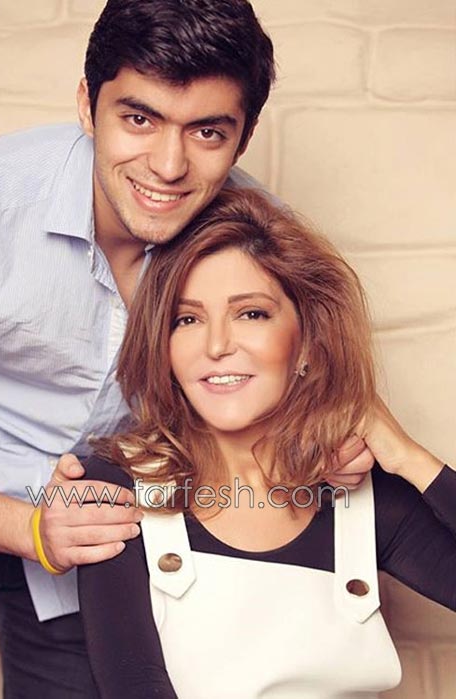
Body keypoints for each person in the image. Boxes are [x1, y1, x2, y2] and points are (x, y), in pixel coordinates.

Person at [0, 1, 373, 696]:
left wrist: (325, 435)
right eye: (140, 119)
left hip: (108, 527)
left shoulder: (255, 240)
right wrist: (31, 528)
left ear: (243, 137)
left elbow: (294, 385)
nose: (169, 166)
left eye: (207, 131)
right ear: (87, 106)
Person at [77, 188, 456, 698]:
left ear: (307, 341)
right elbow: (132, 686)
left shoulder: (365, 503)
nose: (216, 346)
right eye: (187, 319)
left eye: (251, 313)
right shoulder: (113, 489)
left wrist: (409, 457)